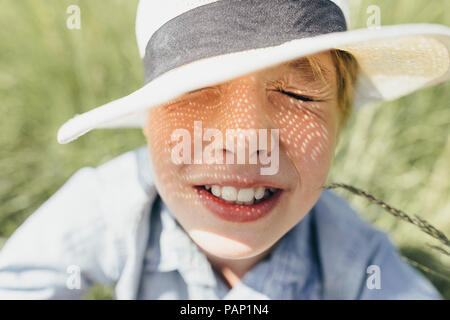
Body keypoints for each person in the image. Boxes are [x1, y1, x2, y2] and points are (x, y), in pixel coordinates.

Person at [0, 0, 449, 299]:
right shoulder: (120, 204)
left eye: (298, 95)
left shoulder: (354, 258)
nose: (243, 144)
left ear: (340, 124)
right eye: (194, 90)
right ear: (147, 121)